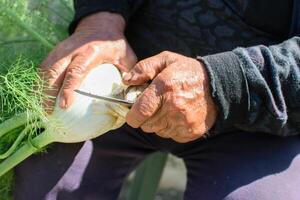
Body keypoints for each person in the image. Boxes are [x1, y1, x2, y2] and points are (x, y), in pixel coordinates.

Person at [14, 0, 300, 199]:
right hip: (121, 77)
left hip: (260, 111)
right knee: (42, 177)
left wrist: (224, 86)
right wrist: (100, 17)